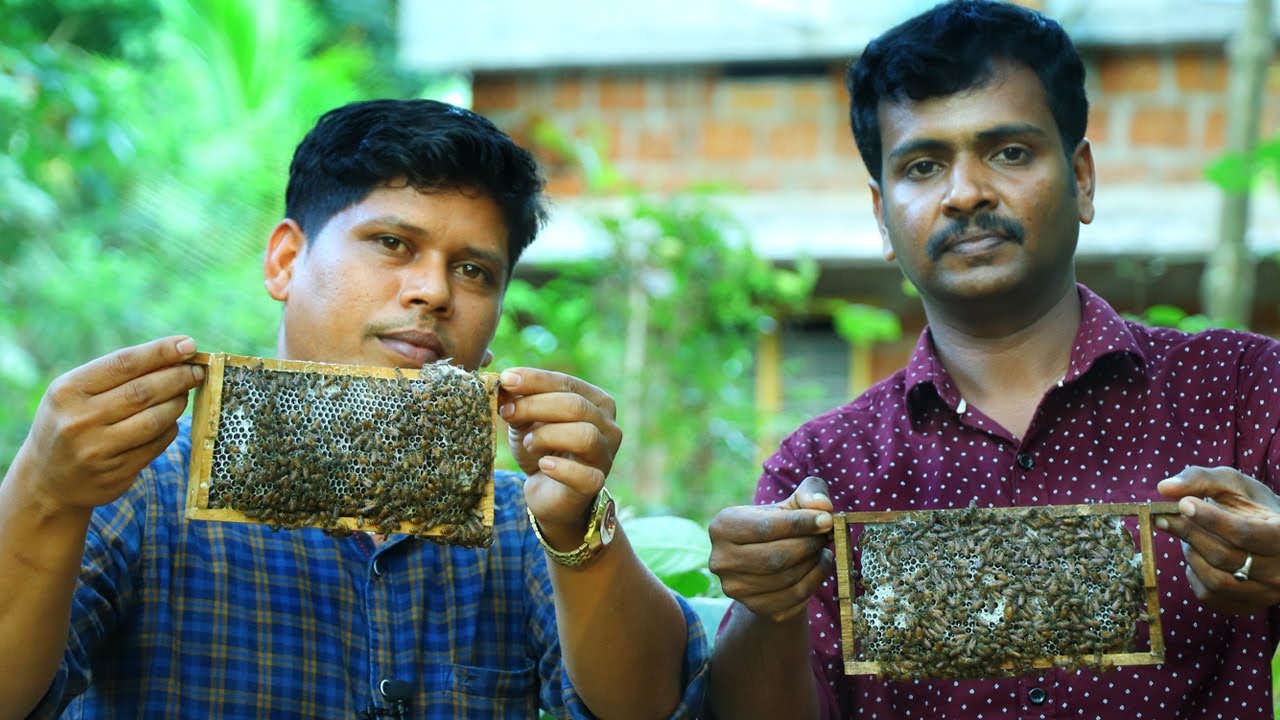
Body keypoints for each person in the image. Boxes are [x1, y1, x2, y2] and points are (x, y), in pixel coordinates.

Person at [1, 98, 708, 719]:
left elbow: (652, 708)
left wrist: (579, 532)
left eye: (474, 270)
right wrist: (42, 493)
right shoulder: (134, 491)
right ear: (284, 261)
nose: (433, 292)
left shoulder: (524, 524)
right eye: (393, 244)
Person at [706, 1, 1280, 718]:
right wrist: (767, 610)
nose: (967, 193)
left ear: (1083, 178)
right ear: (882, 216)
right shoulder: (824, 468)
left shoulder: (1248, 392)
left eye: (1009, 152)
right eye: (923, 165)